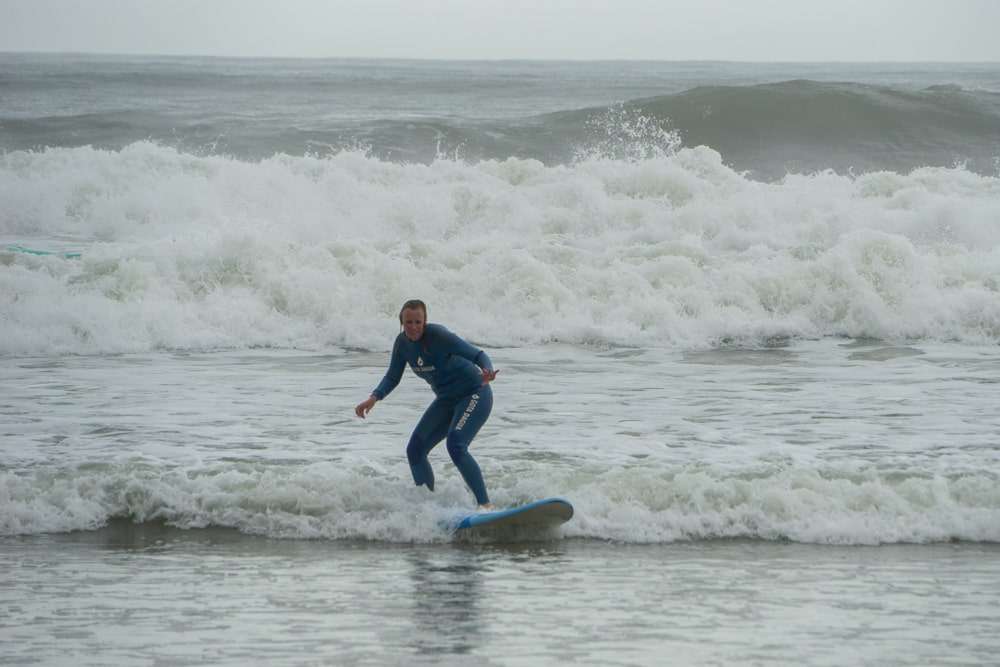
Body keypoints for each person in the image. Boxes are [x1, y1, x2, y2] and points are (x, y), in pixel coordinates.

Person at [355, 299, 498, 508]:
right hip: (445, 400)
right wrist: (374, 397)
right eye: (408, 322)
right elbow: (393, 376)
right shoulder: (402, 344)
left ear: (425, 321)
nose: (413, 327)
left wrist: (487, 370)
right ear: (401, 322)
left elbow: (477, 354)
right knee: (415, 451)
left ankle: (486, 506)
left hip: (474, 393)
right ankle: (430, 507)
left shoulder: (439, 336)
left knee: (456, 446)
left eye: (418, 322)